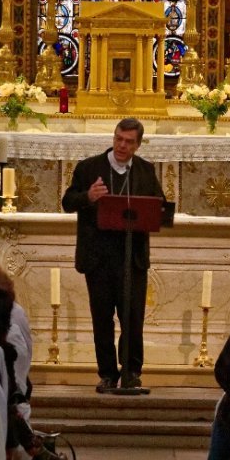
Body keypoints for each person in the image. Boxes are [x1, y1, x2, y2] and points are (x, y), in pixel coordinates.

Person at [61, 117, 165, 393]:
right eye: (118, 138)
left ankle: (131, 372)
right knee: (102, 318)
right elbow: (67, 202)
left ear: (138, 145)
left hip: (132, 258)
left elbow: (160, 207)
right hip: (99, 257)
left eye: (129, 142)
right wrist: (88, 197)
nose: (121, 145)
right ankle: (107, 373)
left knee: (133, 317)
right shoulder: (88, 168)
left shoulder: (145, 170)